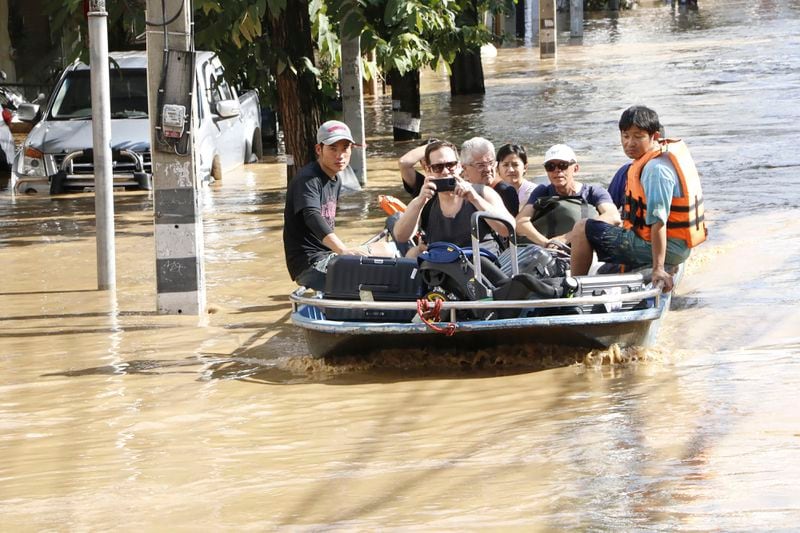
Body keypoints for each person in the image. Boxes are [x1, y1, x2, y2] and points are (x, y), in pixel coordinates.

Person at [570, 106, 708, 291]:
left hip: (665, 247)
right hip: (676, 246)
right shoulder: (655, 159)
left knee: (581, 228)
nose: (630, 143)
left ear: (654, 136)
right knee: (606, 249)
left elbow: (659, 221)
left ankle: (572, 290)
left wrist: (658, 269)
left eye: (638, 136)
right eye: (625, 136)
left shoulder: (654, 170)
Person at [282, 120, 368, 290]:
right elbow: (312, 215)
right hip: (310, 264)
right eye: (333, 148)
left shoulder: (335, 179)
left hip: (328, 255)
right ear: (319, 150)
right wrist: (343, 250)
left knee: (386, 250)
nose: (340, 155)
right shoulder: (308, 179)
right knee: (372, 277)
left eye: (345, 148)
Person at [392, 140, 514, 257]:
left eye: (450, 165)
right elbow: (401, 236)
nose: (445, 172)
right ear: (429, 170)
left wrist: (475, 199)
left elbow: (509, 229)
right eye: (438, 167)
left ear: (460, 167)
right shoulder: (424, 201)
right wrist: (419, 202)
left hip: (482, 270)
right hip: (442, 271)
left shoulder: (483, 193)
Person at [515, 144, 620, 247]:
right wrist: (547, 243)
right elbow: (520, 222)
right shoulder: (542, 192)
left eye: (563, 165)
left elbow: (613, 217)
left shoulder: (593, 192)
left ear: (575, 169)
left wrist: (566, 238)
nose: (557, 170)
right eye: (550, 166)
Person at [460, 137, 520, 216]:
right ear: (465, 168)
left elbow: (508, 226)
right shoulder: (459, 189)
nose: (488, 169)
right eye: (481, 165)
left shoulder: (505, 191)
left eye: (491, 163)